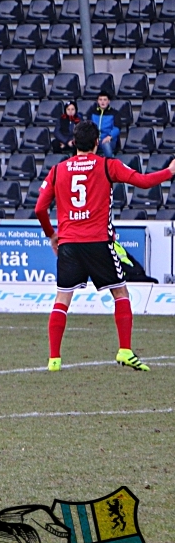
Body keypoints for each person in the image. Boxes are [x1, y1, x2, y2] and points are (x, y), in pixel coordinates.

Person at [35, 120, 175, 372]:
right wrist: (170, 172)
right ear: (97, 142)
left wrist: (51, 235)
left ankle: (54, 359)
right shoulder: (108, 165)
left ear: (75, 143)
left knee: (61, 299)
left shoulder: (57, 170)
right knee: (121, 294)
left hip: (69, 244)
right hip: (99, 241)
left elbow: (39, 208)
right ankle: (124, 350)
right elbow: (143, 182)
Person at [89, 92, 119, 158]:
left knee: (106, 144)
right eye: (100, 99)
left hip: (109, 140)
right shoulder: (92, 112)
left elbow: (117, 128)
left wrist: (109, 137)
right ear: (98, 101)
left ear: (108, 101)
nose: (102, 102)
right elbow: (89, 126)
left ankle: (110, 163)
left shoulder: (114, 113)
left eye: (105, 100)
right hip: (95, 139)